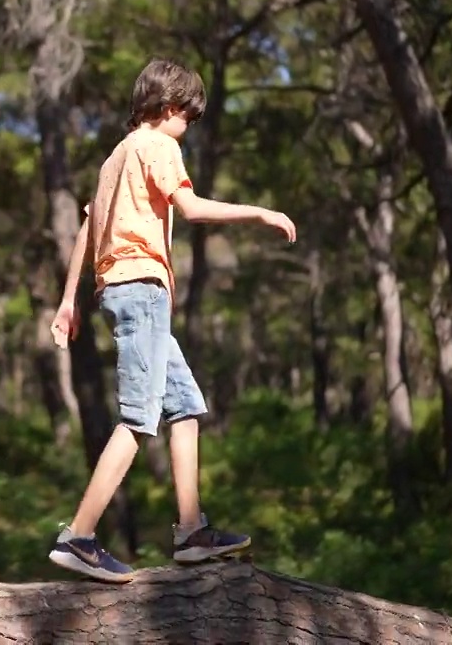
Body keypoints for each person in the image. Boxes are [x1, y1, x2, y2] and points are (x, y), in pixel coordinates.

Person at [46, 58, 297, 583]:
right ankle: (80, 538)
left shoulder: (113, 159)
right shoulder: (158, 144)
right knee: (139, 417)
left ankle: (192, 533)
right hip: (142, 290)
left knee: (183, 405)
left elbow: (86, 233)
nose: (189, 129)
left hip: (120, 289)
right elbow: (191, 208)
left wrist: (68, 300)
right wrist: (259, 212)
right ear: (170, 108)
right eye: (189, 119)